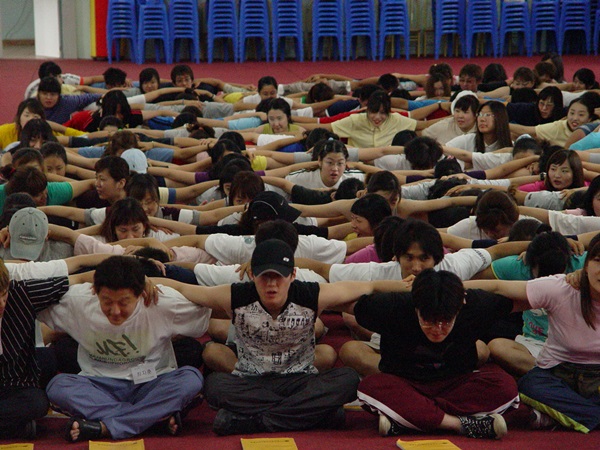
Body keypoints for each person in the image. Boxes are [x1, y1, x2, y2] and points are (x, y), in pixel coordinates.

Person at [153, 238, 409, 436]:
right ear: (252, 275)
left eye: (279, 277)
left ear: (292, 275)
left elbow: (368, 286)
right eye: (264, 277)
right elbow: (184, 288)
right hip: (251, 382)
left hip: (299, 380)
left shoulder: (310, 294)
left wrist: (406, 285)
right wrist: (144, 280)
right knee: (214, 385)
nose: (272, 285)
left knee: (348, 379)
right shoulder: (235, 296)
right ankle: (314, 416)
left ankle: (254, 422)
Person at [40, 256, 211, 442]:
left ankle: (104, 427)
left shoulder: (163, 301)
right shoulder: (76, 300)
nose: (115, 311)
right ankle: (151, 420)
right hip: (97, 385)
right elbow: (27, 292)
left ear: (140, 294)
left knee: (191, 379)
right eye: (107, 301)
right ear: (94, 290)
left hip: (152, 383)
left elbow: (212, 308)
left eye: (124, 303)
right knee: (58, 386)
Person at [352, 269, 534, 439]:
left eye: (446, 321)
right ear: (416, 307)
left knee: (506, 387)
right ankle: (460, 424)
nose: (437, 329)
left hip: (455, 385)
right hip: (406, 383)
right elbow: (343, 298)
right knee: (369, 387)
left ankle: (408, 419)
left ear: (460, 307)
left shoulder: (475, 304)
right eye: (428, 321)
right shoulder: (393, 305)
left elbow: (535, 296)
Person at [464, 233, 600, 433]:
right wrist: (447, 286)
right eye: (598, 261)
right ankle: (584, 413)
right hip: (557, 373)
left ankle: (562, 414)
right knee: (530, 384)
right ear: (587, 265)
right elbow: (497, 287)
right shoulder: (561, 286)